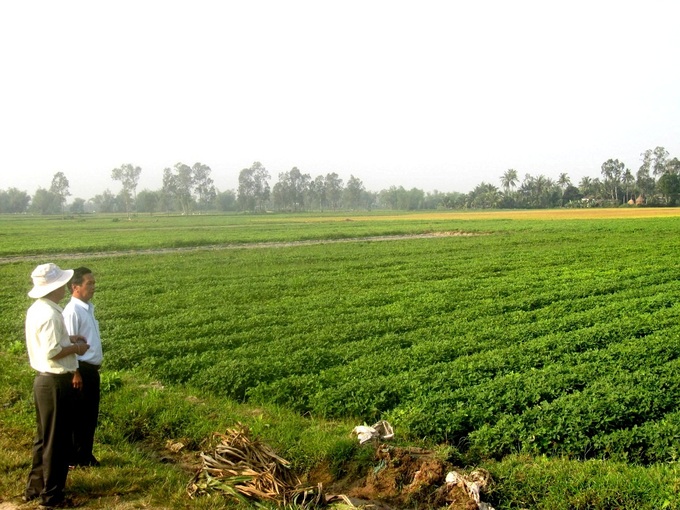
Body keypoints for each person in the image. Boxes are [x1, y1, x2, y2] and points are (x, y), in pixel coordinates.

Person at [24, 263, 89, 508]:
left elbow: (47, 343)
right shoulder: (51, 314)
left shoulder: (38, 309)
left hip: (43, 381)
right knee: (57, 442)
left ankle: (35, 487)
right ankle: (52, 497)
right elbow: (53, 351)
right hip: (55, 382)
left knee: (43, 438)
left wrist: (68, 338)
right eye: (62, 283)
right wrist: (77, 348)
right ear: (55, 287)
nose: (65, 286)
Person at [63, 266, 103, 468]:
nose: (93, 287)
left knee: (89, 415)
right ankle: (78, 457)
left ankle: (84, 455)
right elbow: (70, 346)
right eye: (90, 283)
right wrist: (75, 372)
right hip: (82, 370)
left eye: (94, 283)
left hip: (90, 369)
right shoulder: (72, 311)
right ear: (75, 287)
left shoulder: (87, 308)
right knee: (81, 416)